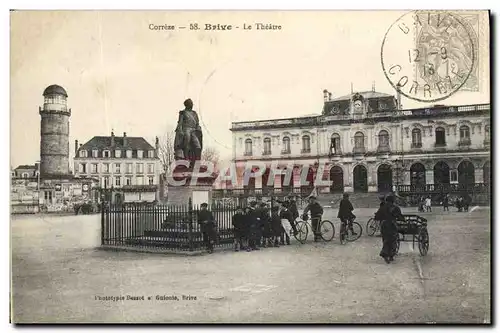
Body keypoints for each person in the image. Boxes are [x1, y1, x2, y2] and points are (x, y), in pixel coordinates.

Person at [375, 195, 404, 264]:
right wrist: (403, 220)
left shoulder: (382, 207)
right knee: (393, 240)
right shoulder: (395, 207)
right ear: (393, 201)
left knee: (385, 239)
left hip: (383, 225)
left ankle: (386, 253)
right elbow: (400, 216)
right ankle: (390, 255)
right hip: (392, 225)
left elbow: (377, 217)